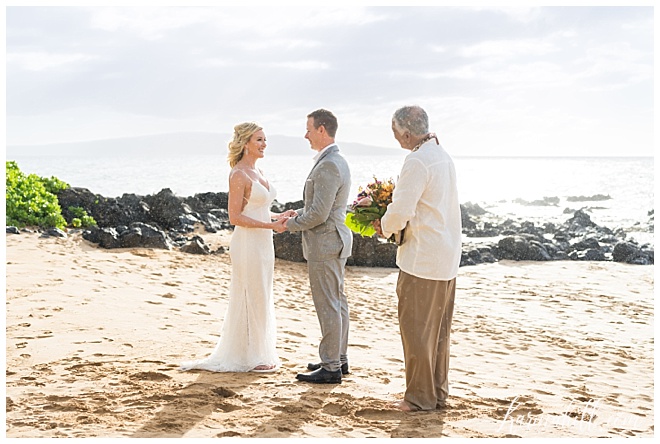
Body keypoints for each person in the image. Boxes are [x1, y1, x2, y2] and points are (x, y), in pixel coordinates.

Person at [180, 122, 292, 373]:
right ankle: (252, 357)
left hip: (264, 242)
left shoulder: (259, 171)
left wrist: (277, 216)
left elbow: (258, 209)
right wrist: (270, 226)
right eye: (259, 140)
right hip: (247, 243)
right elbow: (235, 218)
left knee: (262, 292)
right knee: (250, 293)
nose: (264, 144)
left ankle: (259, 352)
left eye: (265, 140)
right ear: (245, 144)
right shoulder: (238, 174)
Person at [373, 105, 462, 411]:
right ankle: (436, 392)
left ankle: (418, 398)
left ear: (407, 133)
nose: (395, 137)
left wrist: (382, 226)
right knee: (438, 332)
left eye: (395, 131)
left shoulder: (418, 161)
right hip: (446, 256)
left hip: (423, 257)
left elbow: (400, 211)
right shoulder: (442, 156)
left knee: (415, 330)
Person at [274, 109, 353, 384]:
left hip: (326, 243)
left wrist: (287, 225)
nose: (305, 134)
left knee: (328, 304)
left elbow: (319, 215)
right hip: (335, 241)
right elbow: (322, 206)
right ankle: (338, 359)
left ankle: (331, 367)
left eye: (308, 129)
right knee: (338, 301)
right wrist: (297, 211)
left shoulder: (329, 164)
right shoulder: (336, 161)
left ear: (322, 130)